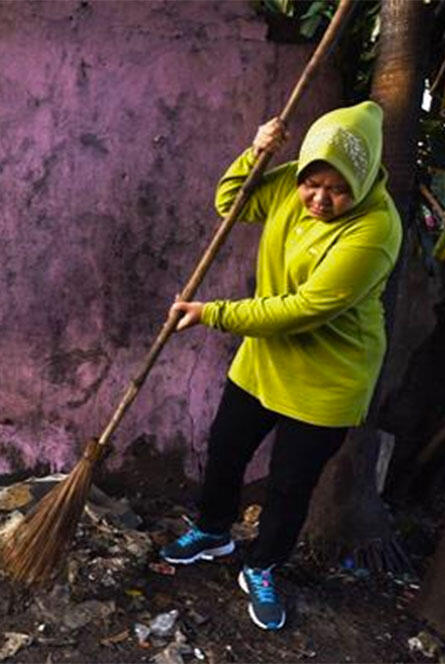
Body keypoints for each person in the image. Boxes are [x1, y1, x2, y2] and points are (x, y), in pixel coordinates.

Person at [160, 101, 402, 631]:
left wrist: (213, 314)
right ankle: (213, 530)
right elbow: (231, 202)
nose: (317, 199)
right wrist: (256, 153)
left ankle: (263, 565)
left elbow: (304, 309)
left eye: (335, 189)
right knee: (226, 447)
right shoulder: (291, 182)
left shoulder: (375, 230)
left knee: (291, 483)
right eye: (311, 183)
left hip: (328, 377)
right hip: (264, 356)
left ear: (360, 183)